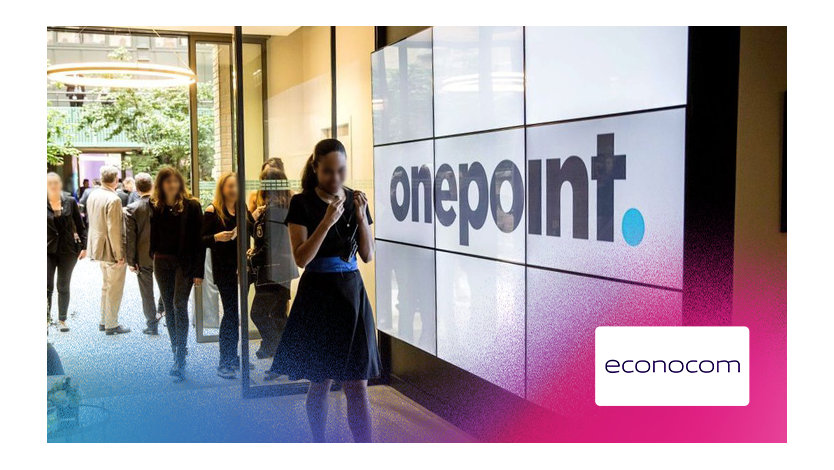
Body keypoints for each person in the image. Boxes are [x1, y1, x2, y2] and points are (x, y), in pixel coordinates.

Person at [267, 139, 380, 443]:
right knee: (321, 381)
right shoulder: (301, 203)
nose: (336, 177)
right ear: (316, 168)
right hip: (318, 295)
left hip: (351, 295)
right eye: (328, 171)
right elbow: (302, 258)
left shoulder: (355, 199)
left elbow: (368, 255)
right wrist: (327, 221)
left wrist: (361, 217)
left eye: (341, 170)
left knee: (358, 384)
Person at [150, 166, 204, 382]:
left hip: (184, 263)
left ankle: (181, 354)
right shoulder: (156, 205)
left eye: (175, 181)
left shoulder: (192, 206)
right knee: (169, 307)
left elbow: (199, 241)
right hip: (161, 262)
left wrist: (199, 271)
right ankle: (176, 351)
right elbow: (152, 235)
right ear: (161, 185)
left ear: (180, 183)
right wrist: (150, 255)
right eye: (167, 181)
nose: (172, 185)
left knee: (179, 304)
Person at [248, 167, 297, 361]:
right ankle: (285, 357)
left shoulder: (275, 210)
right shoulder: (276, 208)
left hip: (274, 272)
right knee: (278, 316)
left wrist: (251, 259)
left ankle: (277, 351)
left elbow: (271, 248)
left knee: (258, 314)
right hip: (279, 271)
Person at [202, 173, 246, 379]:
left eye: (237, 186)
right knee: (231, 314)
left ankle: (233, 357)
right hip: (224, 270)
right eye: (230, 186)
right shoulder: (212, 211)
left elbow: (251, 231)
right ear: (222, 188)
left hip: (241, 269)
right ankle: (225, 361)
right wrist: (216, 238)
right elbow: (200, 240)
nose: (234, 190)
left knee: (235, 314)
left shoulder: (241, 208)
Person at [86, 166, 131, 335]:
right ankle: (111, 324)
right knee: (114, 288)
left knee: (106, 286)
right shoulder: (114, 199)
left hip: (98, 247)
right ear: (116, 180)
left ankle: (104, 320)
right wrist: (119, 254)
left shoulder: (93, 194)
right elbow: (114, 229)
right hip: (111, 249)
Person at [125, 172, 164, 335]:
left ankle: (152, 325)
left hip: (143, 257)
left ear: (136, 188)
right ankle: (162, 309)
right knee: (166, 287)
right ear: (152, 186)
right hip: (164, 254)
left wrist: (131, 261)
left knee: (146, 293)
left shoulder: (132, 209)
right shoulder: (163, 206)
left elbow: (130, 238)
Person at [47, 172, 87, 332]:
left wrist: (84, 246)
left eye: (55, 182)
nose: (53, 185)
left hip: (68, 250)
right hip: (47, 249)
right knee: (46, 286)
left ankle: (62, 319)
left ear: (60, 184)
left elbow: (80, 225)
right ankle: (46, 319)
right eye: (49, 183)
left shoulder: (70, 201)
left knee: (63, 285)